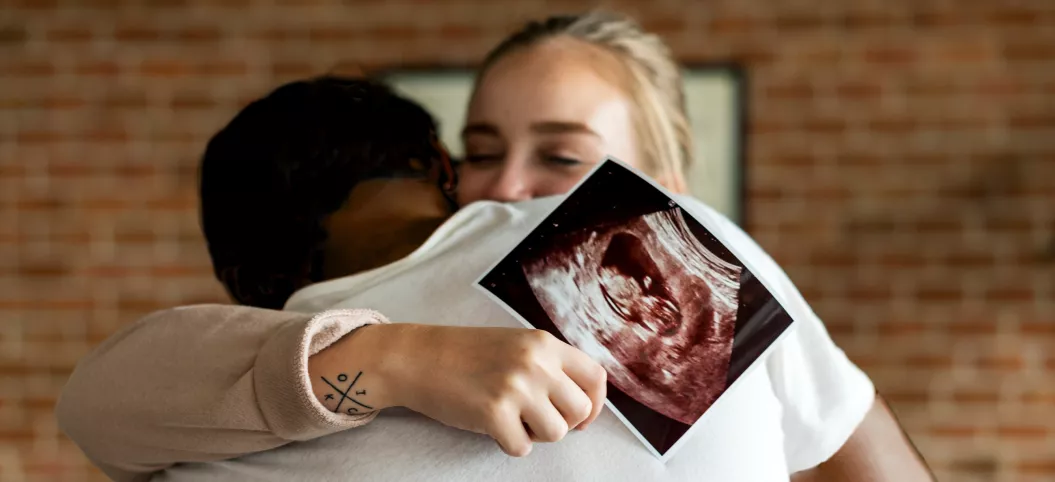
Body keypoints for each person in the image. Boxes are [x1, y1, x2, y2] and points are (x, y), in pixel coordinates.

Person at [57, 11, 933, 482]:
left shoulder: (673, 255)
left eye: (563, 158)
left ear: (663, 185)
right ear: (442, 166)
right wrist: (396, 357)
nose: (509, 189)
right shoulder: (265, 366)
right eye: (482, 153)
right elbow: (102, 401)